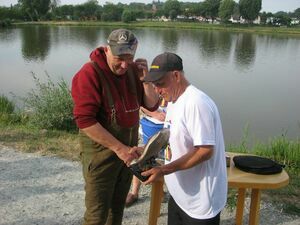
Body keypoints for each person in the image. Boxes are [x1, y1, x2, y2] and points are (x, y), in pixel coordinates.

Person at [71, 29, 159, 225]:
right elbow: (84, 120)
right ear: (107, 49)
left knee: (117, 209)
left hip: (127, 157)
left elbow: (152, 105)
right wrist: (120, 149)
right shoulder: (89, 74)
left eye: (130, 57)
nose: (125, 64)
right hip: (101, 157)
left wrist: (145, 81)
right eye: (120, 57)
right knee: (97, 215)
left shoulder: (132, 72)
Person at [142, 52, 227, 225]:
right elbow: (173, 138)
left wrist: (164, 170)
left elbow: (205, 151)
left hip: (200, 203)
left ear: (176, 75)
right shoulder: (173, 100)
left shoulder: (196, 103)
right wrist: (145, 151)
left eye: (160, 84)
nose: (157, 90)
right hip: (180, 196)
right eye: (154, 84)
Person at [125, 99, 167, 207]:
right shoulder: (148, 84)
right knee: (141, 159)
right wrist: (155, 113)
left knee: (162, 161)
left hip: (166, 128)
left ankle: (160, 192)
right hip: (149, 125)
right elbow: (139, 102)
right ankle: (134, 193)